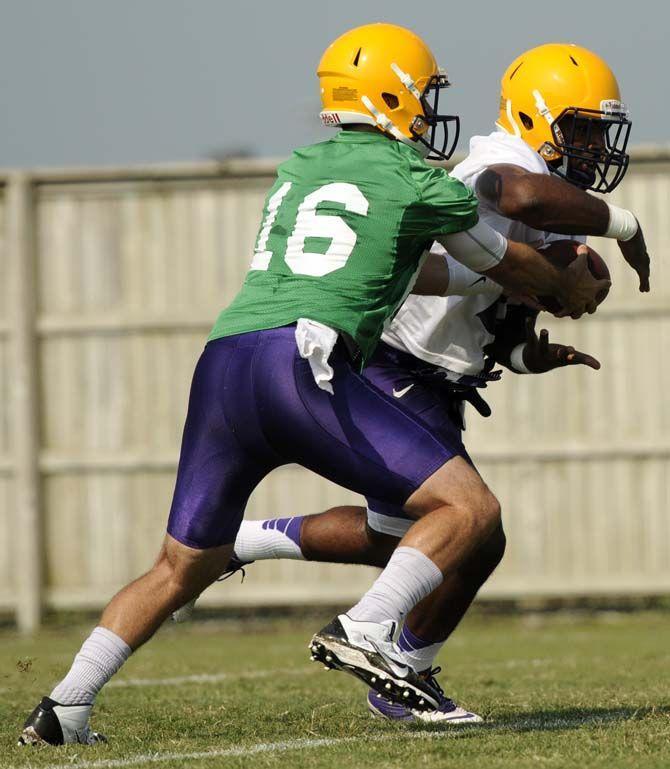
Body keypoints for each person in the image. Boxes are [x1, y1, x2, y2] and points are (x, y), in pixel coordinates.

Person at [19, 26, 606, 746]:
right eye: (422, 97)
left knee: (180, 565)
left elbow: (421, 271)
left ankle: (63, 708)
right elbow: (506, 266)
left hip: (226, 358)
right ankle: (364, 630)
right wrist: (569, 280)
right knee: (469, 508)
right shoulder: (415, 178)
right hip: (303, 362)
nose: (428, 113)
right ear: (391, 95)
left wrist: (516, 332)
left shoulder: (298, 166)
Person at [176, 43, 651, 725]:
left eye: (599, 132)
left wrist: (528, 357)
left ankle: (257, 550)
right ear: (534, 117)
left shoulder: (544, 206)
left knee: (424, 537)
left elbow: (499, 316)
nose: (594, 145)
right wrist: (625, 225)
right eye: (582, 129)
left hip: (433, 377)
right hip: (395, 365)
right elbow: (521, 197)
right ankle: (389, 658)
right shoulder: (502, 163)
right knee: (467, 529)